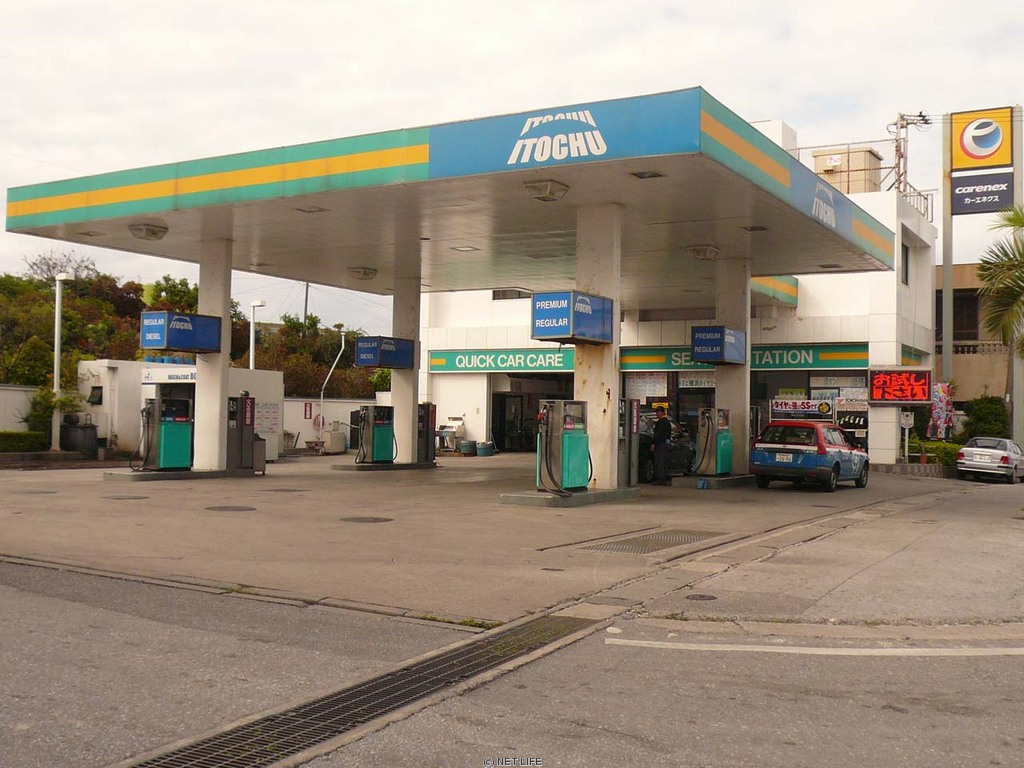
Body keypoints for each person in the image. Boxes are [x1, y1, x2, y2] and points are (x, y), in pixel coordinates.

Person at [651, 406, 672, 485]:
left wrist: (654, 443)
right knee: (663, 462)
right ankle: (663, 478)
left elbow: (658, 434)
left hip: (660, 444)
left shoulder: (661, 422)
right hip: (665, 444)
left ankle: (660, 479)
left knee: (659, 462)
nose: (656, 414)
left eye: (658, 412)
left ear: (662, 412)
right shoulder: (667, 422)